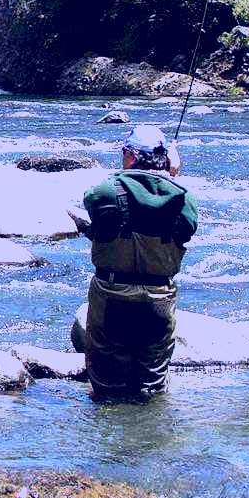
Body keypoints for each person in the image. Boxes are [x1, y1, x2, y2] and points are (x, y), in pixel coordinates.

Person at [73, 125, 198, 402]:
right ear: (165, 159)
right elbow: (187, 228)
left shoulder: (106, 190)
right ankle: (149, 440)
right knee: (151, 387)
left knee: (106, 387)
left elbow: (93, 203)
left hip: (111, 294)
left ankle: (110, 440)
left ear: (130, 155)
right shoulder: (183, 197)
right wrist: (171, 177)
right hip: (159, 299)